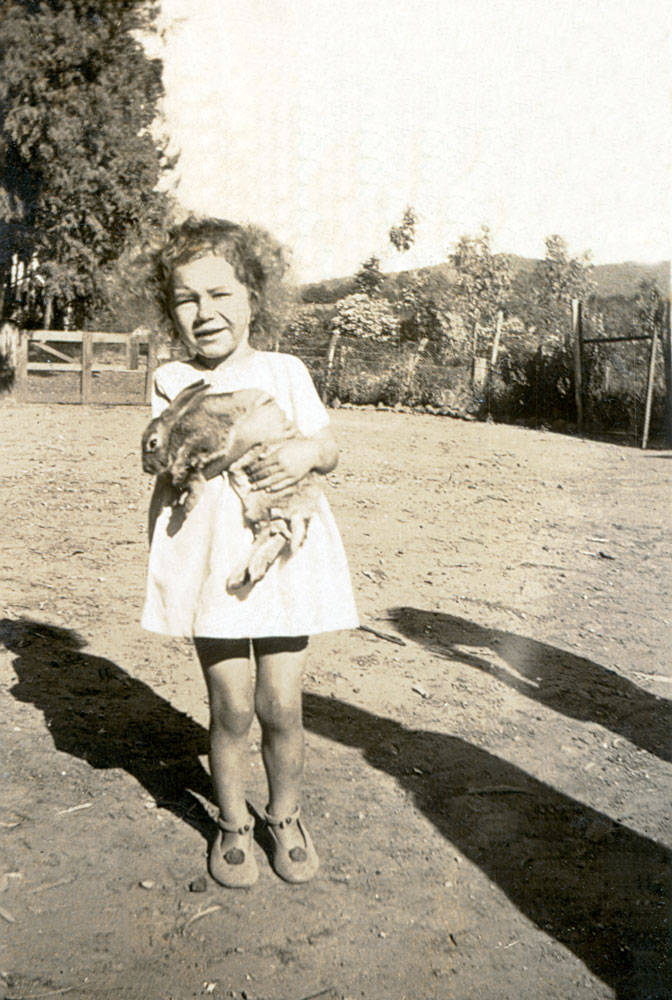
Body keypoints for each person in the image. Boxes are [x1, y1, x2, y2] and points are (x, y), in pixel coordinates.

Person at [141, 218, 358, 888]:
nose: (204, 312)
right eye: (186, 299)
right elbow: (165, 456)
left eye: (220, 293)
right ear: (170, 310)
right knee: (231, 705)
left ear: (253, 297)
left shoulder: (284, 370)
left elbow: (327, 446)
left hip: (282, 557)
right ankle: (233, 820)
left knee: (280, 705)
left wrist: (303, 450)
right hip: (213, 562)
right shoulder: (172, 379)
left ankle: (285, 814)